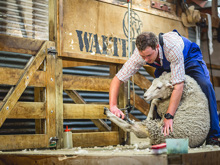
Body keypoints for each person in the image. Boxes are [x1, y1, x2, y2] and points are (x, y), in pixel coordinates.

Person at [109, 29, 220, 146]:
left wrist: (169, 116)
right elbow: (118, 79)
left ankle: (214, 135)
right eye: (143, 56)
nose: (146, 60)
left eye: (148, 55)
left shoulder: (171, 48)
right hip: (164, 64)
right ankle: (159, 136)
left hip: (188, 58)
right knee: (159, 93)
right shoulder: (139, 55)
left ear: (157, 46)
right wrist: (113, 106)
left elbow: (179, 85)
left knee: (205, 85)